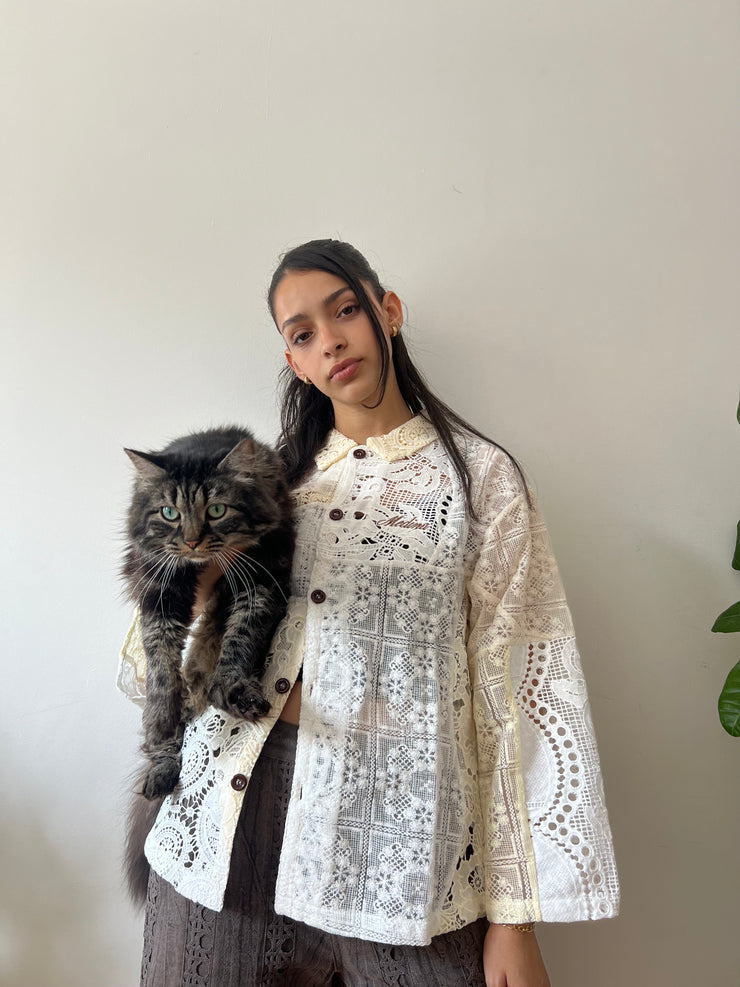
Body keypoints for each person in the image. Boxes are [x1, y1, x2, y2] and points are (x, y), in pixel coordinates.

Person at [118, 239, 619, 987]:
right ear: (294, 361)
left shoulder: (480, 480)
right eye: (302, 333)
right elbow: (147, 661)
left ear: (388, 311)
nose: (330, 340)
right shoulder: (264, 485)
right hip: (229, 825)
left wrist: (514, 919)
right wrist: (198, 578)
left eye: (345, 310)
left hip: (401, 843)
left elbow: (516, 698)